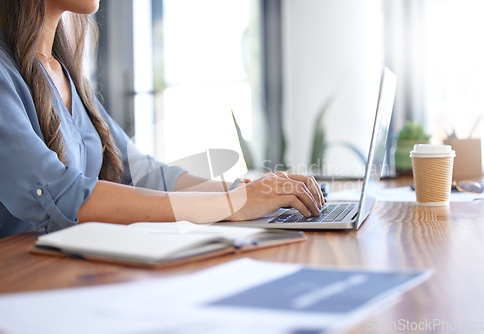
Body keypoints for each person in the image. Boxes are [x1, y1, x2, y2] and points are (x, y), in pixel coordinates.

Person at [0, 0, 325, 238]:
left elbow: (144, 173)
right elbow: (63, 196)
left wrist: (254, 191)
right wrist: (232, 204)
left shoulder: (62, 72)